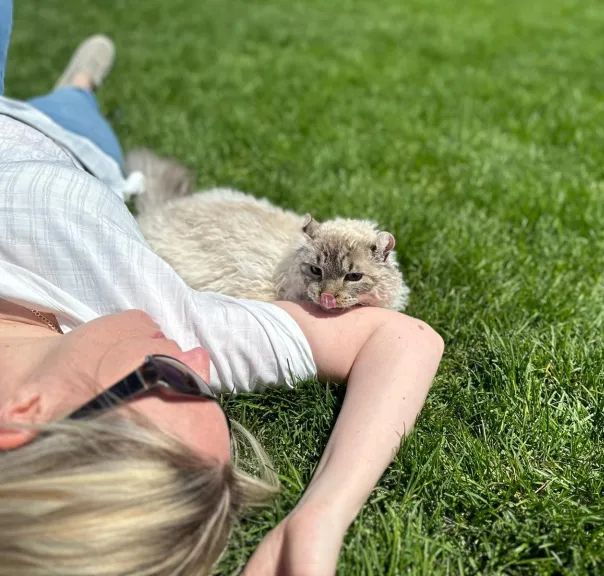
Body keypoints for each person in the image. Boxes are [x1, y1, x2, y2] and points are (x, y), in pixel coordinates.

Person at [0, 3, 444, 575]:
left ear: (25, 411)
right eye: (200, 385)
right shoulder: (176, 324)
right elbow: (405, 341)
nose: (203, 361)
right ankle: (79, 85)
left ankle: (78, 85)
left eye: (177, 381)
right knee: (76, 108)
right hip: (81, 148)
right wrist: (321, 514)